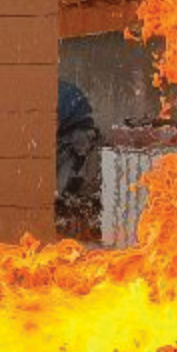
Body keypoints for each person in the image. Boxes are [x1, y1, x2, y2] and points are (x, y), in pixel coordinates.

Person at [55, 79, 103, 243]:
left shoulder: (60, 94)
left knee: (64, 187)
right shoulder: (62, 92)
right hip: (75, 130)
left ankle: (78, 228)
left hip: (77, 132)